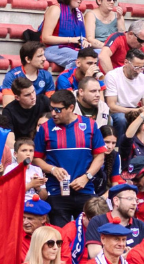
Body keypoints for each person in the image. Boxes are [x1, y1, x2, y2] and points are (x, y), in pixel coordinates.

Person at [31, 89, 107, 223]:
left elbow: (100, 156)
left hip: (85, 188)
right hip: (56, 191)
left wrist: (86, 177)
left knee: (87, 231)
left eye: (58, 110)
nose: (53, 113)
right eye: (52, 109)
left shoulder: (90, 125)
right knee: (60, 232)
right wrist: (52, 169)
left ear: (71, 108)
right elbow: (36, 158)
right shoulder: (45, 128)